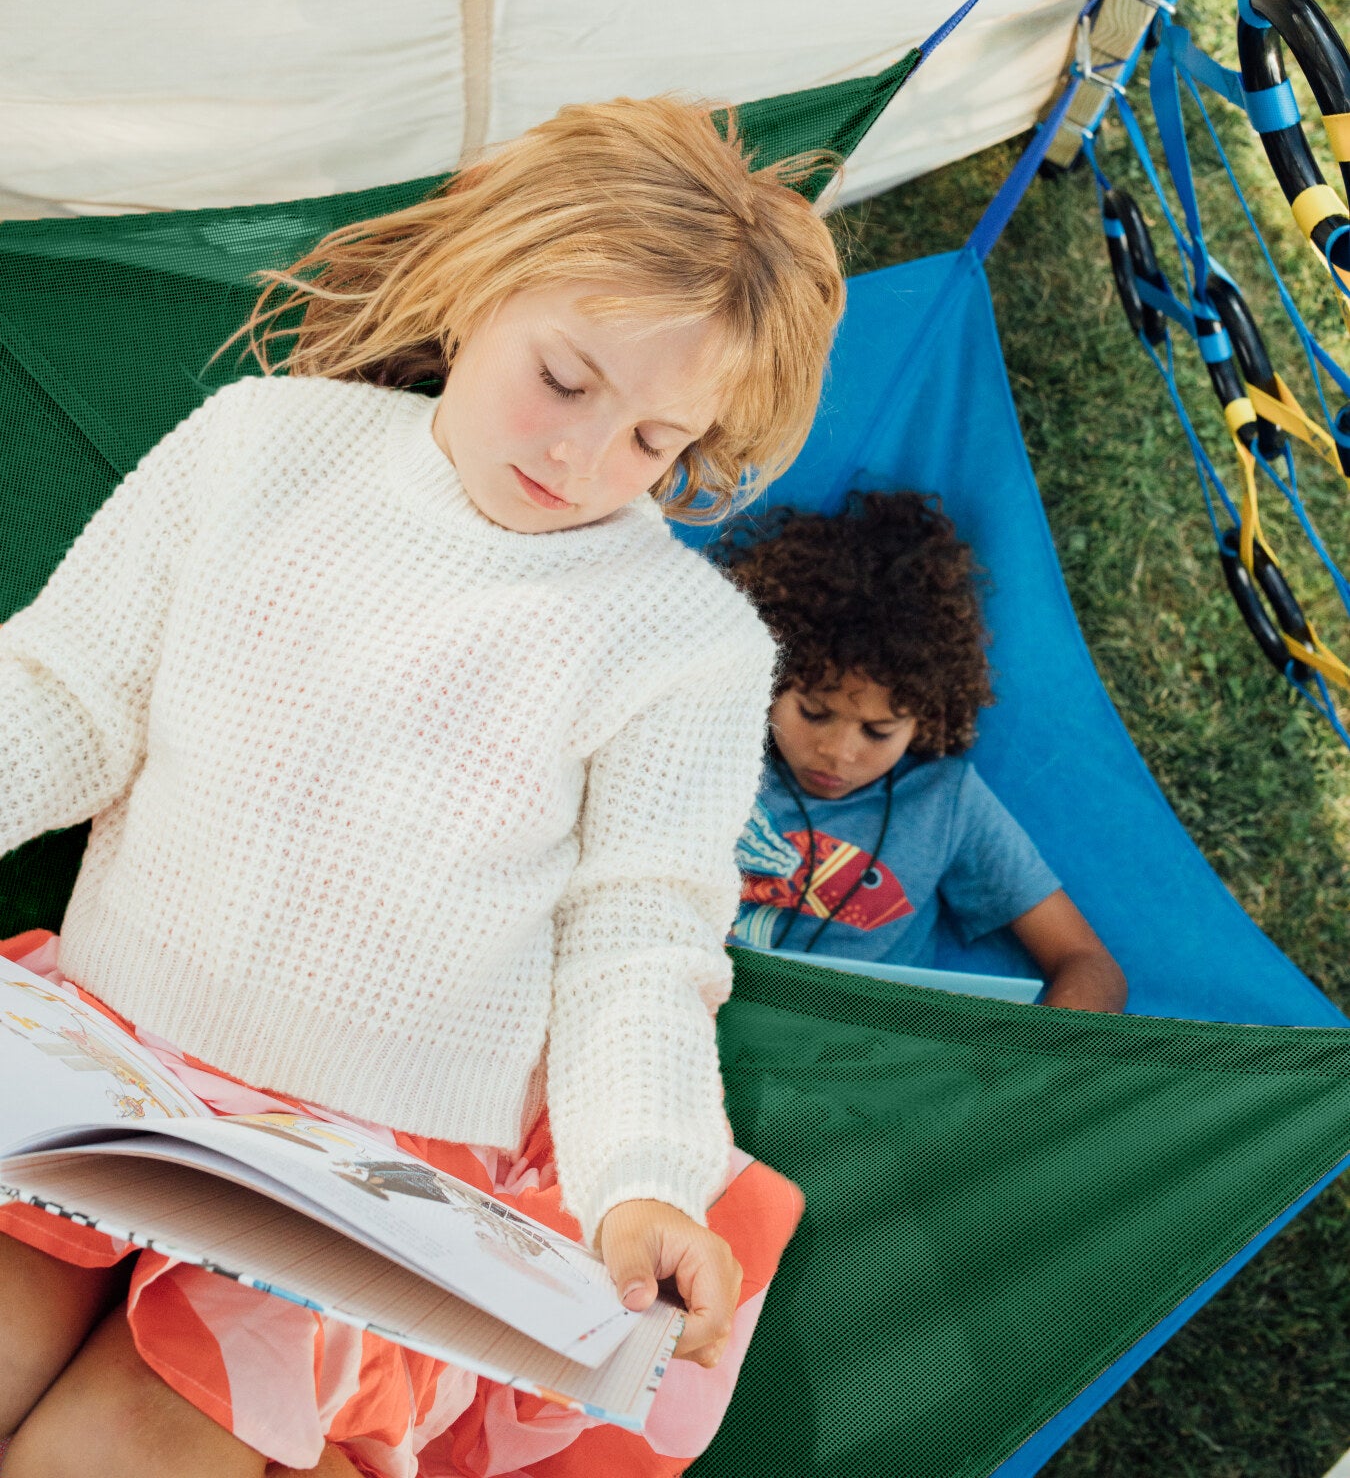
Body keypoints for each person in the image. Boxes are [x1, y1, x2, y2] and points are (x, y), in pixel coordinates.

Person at [0, 96, 845, 1478]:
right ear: (478, 285)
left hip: (362, 1191)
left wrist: (644, 1179)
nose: (584, 459)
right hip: (95, 1075)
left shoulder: (685, 645)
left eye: (652, 441)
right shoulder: (257, 445)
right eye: (566, 379)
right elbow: (64, 699)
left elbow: (635, 949)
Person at [719, 490, 1128, 1013]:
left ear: (926, 719)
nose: (838, 753)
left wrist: (1045, 1055)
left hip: (860, 1069)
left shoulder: (944, 804)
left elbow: (1088, 961)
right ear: (765, 677)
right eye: (815, 713)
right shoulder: (709, 758)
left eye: (878, 731)